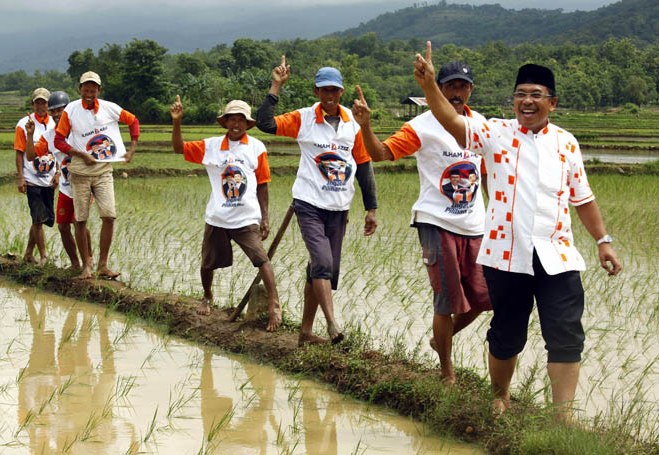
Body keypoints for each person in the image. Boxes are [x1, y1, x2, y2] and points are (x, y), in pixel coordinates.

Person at [414, 42, 622, 421]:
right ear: (513, 102)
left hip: (558, 256)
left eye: (535, 96)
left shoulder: (566, 144)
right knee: (508, 333)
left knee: (566, 334)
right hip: (506, 256)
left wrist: (603, 241)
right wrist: (430, 86)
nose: (527, 102)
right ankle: (500, 396)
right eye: (520, 95)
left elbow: (584, 199)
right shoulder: (495, 134)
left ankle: (562, 416)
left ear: (552, 103)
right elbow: (452, 121)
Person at [351, 61, 491, 384]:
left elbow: (485, 176)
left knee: (487, 297)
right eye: (451, 86)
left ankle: (442, 338)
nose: (457, 93)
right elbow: (381, 153)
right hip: (436, 222)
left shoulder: (479, 125)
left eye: (463, 86)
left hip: (475, 225)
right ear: (437, 88)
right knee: (445, 301)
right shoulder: (422, 126)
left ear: (471, 89)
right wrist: (365, 127)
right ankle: (447, 373)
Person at [256, 57, 378, 346]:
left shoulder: (353, 124)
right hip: (309, 203)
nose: (329, 95)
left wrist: (371, 208)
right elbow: (265, 123)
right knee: (322, 262)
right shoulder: (303, 118)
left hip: (339, 207)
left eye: (334, 90)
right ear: (316, 92)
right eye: (324, 90)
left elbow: (363, 166)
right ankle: (332, 323)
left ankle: (305, 332)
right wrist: (276, 86)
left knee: (322, 270)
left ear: (341, 92)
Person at [171, 97, 283, 332]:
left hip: (246, 217)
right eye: (232, 118)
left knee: (261, 258)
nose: (236, 123)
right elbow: (179, 148)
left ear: (247, 124)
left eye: (241, 119)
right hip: (218, 217)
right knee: (207, 262)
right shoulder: (211, 146)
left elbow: (263, 184)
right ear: (226, 122)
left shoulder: (256, 147)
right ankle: (207, 296)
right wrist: (177, 122)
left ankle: (273, 304)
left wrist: (265, 218)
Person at [54, 71, 139, 279]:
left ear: (99, 90)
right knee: (80, 220)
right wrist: (80, 154)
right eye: (86, 89)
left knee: (109, 215)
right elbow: (58, 141)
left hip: (103, 171)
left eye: (93, 89)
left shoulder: (110, 108)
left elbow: (133, 121)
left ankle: (102, 264)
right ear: (80, 89)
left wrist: (132, 149)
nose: (89, 93)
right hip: (80, 172)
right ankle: (86, 267)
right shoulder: (71, 111)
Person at [26, 91, 93, 270]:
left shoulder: (80, 130)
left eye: (60, 111)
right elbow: (31, 155)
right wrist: (30, 135)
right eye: (53, 111)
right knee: (63, 226)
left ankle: (89, 260)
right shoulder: (49, 136)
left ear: (68, 111)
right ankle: (75, 263)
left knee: (80, 223)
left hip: (84, 184)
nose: (56, 115)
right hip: (65, 187)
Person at [14, 88, 56, 266]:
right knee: (38, 218)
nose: (41, 105)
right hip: (32, 179)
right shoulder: (24, 124)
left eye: (44, 102)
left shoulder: (56, 123)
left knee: (42, 218)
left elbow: (59, 150)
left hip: (49, 178)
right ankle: (44, 256)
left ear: (49, 104)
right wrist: (21, 178)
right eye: (38, 102)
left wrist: (58, 174)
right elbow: (19, 153)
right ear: (32, 104)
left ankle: (29, 253)